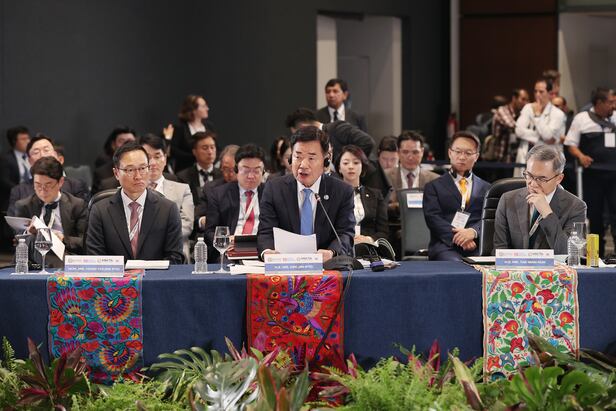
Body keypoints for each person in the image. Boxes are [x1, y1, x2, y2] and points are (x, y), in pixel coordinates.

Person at [258, 126, 355, 261]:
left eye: (311, 158)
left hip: (326, 266)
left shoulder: (342, 192)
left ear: (326, 160)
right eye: (298, 157)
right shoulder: (274, 189)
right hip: (284, 265)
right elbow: (266, 232)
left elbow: (345, 234)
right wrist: (268, 252)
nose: (303, 165)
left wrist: (331, 252)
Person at [86, 142, 183, 263]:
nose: (138, 176)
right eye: (130, 170)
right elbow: (95, 257)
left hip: (155, 275)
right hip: (115, 275)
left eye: (142, 168)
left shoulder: (168, 209)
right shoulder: (100, 211)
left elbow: (175, 257)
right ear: (116, 173)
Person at [494, 145, 586, 253]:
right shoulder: (507, 200)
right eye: (529, 175)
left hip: (553, 264)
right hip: (513, 264)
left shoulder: (575, 207)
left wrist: (547, 213)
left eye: (541, 179)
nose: (533, 184)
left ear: (559, 179)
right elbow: (499, 250)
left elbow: (569, 253)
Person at [423, 131, 491, 261]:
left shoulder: (487, 188)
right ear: (450, 153)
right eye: (458, 151)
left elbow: (489, 218)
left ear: (476, 156)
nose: (462, 157)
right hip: (445, 246)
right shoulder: (433, 187)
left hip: (476, 244)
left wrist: (473, 232)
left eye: (468, 153)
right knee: (456, 264)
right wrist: (460, 238)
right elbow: (433, 219)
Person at [564, 87, 616, 257]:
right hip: (592, 177)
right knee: (595, 215)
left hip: (614, 177)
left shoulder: (615, 117)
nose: (613, 106)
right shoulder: (582, 118)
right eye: (610, 102)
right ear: (599, 103)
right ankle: (597, 255)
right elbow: (571, 144)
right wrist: (581, 156)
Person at [12, 157, 87, 268]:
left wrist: (62, 238)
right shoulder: (24, 206)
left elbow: (85, 242)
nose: (42, 190)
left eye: (48, 185)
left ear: (60, 182)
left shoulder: (77, 205)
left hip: (66, 256)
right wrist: (28, 232)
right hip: (32, 261)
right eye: (38, 185)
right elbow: (19, 241)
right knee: (33, 239)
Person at [204, 144, 266, 262]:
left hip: (261, 251)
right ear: (236, 170)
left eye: (256, 171)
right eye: (246, 170)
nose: (251, 176)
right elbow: (209, 232)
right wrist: (225, 240)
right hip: (230, 252)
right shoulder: (218, 194)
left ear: (263, 172)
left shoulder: (271, 194)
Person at [139, 134, 194, 260]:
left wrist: (157, 238)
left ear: (165, 158)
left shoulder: (182, 189)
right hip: (138, 248)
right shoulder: (130, 190)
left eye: (157, 156)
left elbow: (187, 225)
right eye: (147, 157)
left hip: (173, 249)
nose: (153, 163)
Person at [8, 135, 89, 215]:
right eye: (36, 152)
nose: (42, 155)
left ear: (57, 156)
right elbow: (13, 220)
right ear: (30, 161)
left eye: (46, 150)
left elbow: (84, 216)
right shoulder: (19, 191)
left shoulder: (76, 186)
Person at [335, 145, 388, 244]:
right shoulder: (332, 195)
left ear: (362, 167)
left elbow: (384, 232)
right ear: (339, 168)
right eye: (346, 163)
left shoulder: (375, 195)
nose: (351, 167)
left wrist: (369, 239)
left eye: (356, 163)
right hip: (340, 246)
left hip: (367, 247)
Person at [514, 79, 566, 176]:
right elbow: (518, 131)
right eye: (535, 91)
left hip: (547, 159)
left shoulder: (558, 114)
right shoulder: (528, 107)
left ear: (550, 93)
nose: (537, 95)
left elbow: (547, 135)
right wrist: (539, 138)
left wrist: (537, 115)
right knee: (520, 184)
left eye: (541, 92)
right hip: (525, 155)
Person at [285, 108, 374, 160]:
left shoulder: (337, 128)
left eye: (298, 134)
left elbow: (367, 142)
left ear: (303, 127)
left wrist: (348, 163)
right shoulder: (317, 141)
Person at [194, 144, 239, 231]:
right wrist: (205, 221)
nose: (230, 174)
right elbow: (197, 217)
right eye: (226, 169)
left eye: (234, 169)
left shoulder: (251, 188)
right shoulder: (211, 189)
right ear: (220, 167)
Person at [167, 94, 216, 173]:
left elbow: (216, 146)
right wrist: (196, 156)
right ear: (193, 109)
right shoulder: (180, 128)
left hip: (207, 170)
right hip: (185, 170)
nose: (207, 108)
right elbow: (174, 150)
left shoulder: (209, 127)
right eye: (203, 106)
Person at [176, 131, 222, 207]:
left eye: (212, 147)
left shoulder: (223, 176)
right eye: (205, 148)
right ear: (194, 151)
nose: (210, 152)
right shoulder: (183, 177)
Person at [91, 126, 137, 193]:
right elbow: (96, 198)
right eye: (122, 141)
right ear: (113, 145)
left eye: (131, 141)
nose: (127, 145)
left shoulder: (145, 169)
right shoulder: (101, 174)